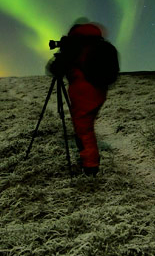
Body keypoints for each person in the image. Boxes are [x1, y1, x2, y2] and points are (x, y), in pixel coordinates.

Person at [47, 19, 119, 176]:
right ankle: (89, 161)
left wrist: (62, 56)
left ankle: (90, 168)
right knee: (86, 127)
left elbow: (55, 69)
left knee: (84, 131)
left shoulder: (76, 47)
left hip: (83, 94)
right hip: (99, 91)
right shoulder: (96, 45)